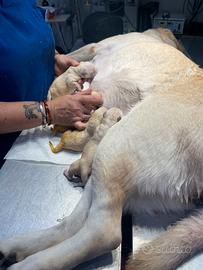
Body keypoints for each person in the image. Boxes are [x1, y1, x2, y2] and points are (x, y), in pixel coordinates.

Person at [0, 0, 103, 167]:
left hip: (50, 120)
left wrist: (53, 58)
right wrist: (50, 111)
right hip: (10, 152)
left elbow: (32, 39)